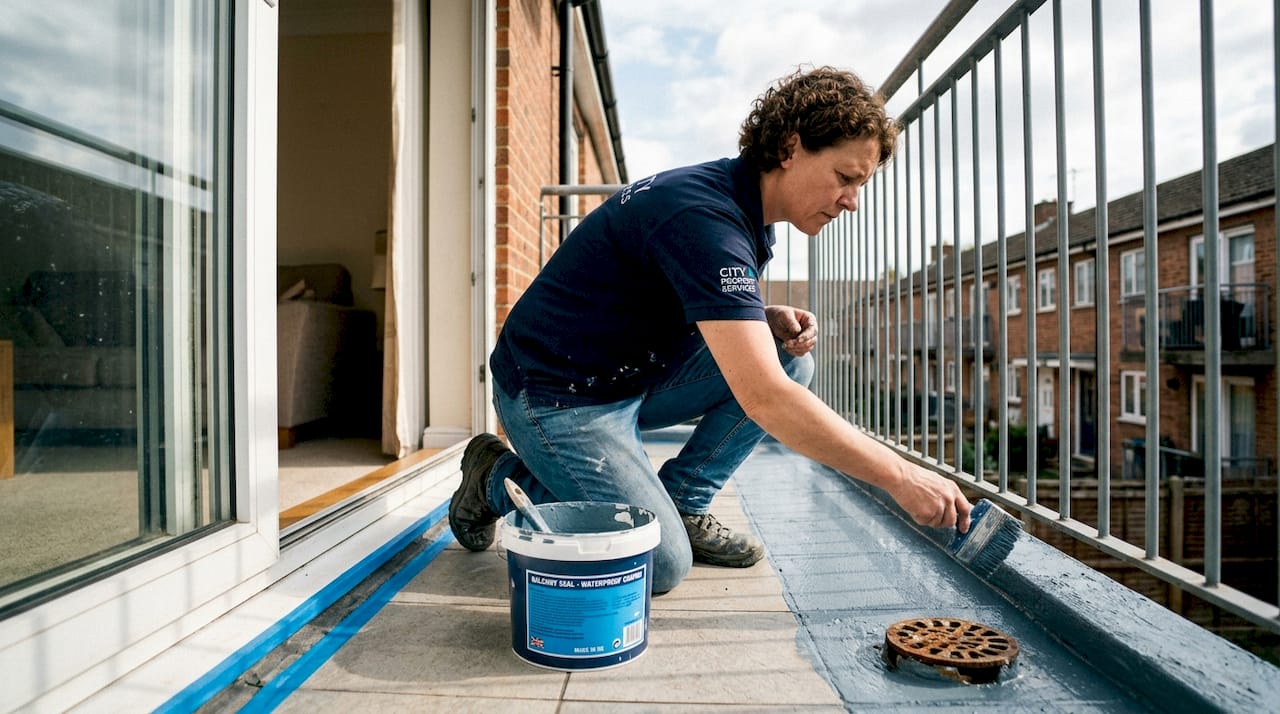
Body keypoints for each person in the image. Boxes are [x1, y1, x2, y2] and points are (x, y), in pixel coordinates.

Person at [449, 66, 972, 594]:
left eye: (862, 184)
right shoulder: (703, 216)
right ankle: (494, 475)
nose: (853, 201)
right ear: (791, 148)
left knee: (790, 358)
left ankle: (684, 501)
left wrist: (756, 318)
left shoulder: (742, 208)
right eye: (845, 177)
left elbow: (680, 295)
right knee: (660, 561)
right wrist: (901, 476)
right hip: (556, 397)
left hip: (625, 375)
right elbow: (765, 398)